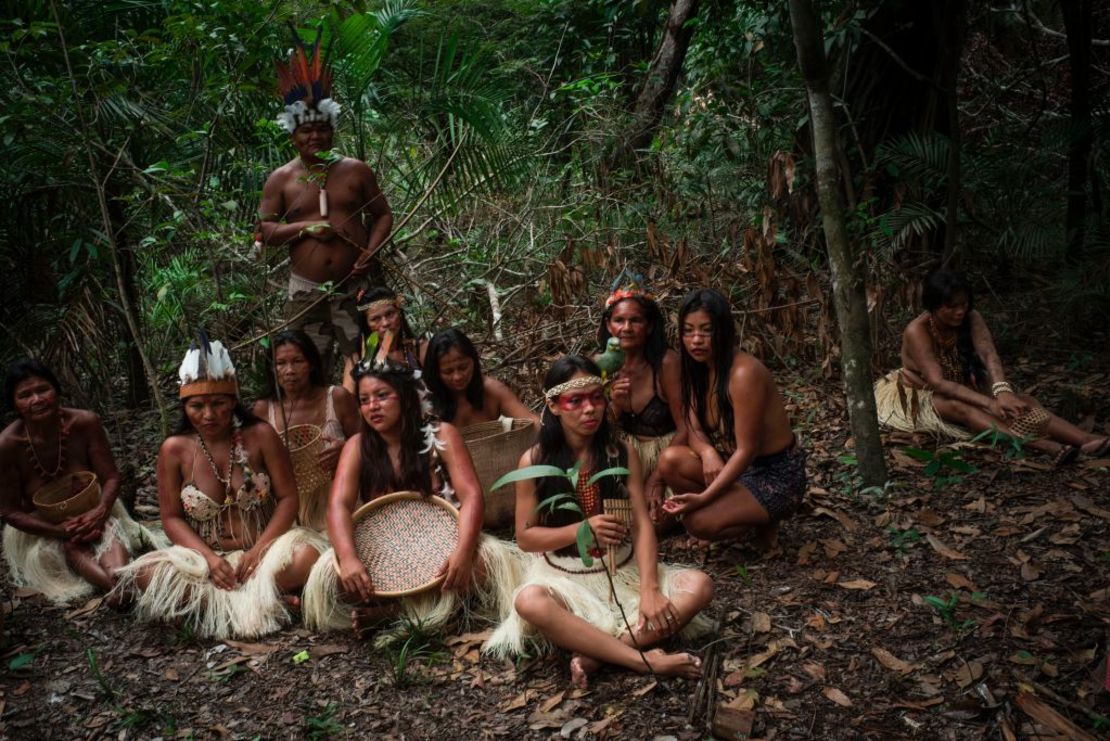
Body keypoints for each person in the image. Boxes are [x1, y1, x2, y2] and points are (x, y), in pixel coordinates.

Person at [484, 356, 713, 688]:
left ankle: (599, 654)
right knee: (529, 602)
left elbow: (641, 525)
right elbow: (526, 537)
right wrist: (580, 530)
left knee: (699, 586)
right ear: (554, 405)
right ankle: (643, 659)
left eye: (596, 397)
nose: (589, 408)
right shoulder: (535, 461)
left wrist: (649, 589)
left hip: (624, 570)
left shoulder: (620, 453)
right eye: (575, 400)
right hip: (564, 579)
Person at [303, 349, 522, 645]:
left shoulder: (441, 434)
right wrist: (349, 557)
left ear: (406, 397)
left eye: (382, 396)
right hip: (382, 549)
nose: (372, 407)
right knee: (330, 578)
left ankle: (395, 612)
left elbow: (472, 496)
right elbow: (338, 506)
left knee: (484, 565)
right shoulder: (357, 445)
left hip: (442, 543)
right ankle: (421, 610)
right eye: (364, 400)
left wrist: (463, 550)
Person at [113, 337, 326, 639]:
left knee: (306, 556)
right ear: (184, 406)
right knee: (146, 573)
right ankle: (261, 602)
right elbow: (171, 518)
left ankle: (228, 606)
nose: (209, 415)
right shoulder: (174, 450)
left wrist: (260, 549)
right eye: (197, 406)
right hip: (204, 558)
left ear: (233, 401)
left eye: (218, 403)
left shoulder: (260, 435)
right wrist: (211, 561)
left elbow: (288, 498)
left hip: (265, 553)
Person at [258, 29, 393, 375]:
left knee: (368, 366)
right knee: (305, 371)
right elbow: (266, 232)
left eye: (322, 128)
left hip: (356, 289)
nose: (315, 136)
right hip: (306, 293)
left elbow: (382, 215)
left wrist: (370, 251)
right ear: (293, 136)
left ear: (332, 130)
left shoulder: (355, 171)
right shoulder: (281, 179)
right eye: (306, 130)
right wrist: (305, 228)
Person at [874, 269, 1110, 464]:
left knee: (1022, 404)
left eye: (964, 304)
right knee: (961, 408)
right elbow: (937, 382)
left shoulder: (971, 317)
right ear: (933, 306)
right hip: (921, 392)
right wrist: (990, 402)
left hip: (962, 382)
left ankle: (1085, 439)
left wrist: (1003, 392)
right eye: (951, 306)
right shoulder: (918, 330)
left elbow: (989, 355)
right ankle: (1040, 444)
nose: (960, 311)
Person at [0, 359, 160, 606]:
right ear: (14, 405)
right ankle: (121, 587)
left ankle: (121, 585)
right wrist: (60, 530)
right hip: (42, 522)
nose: (37, 399)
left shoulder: (85, 422)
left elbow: (111, 478)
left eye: (43, 390)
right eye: (25, 395)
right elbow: (10, 511)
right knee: (70, 545)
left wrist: (99, 512)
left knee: (108, 530)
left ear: (57, 391)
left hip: (93, 507)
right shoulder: (8, 444)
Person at [657, 289, 807, 547]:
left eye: (706, 330)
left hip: (774, 475)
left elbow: (748, 450)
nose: (696, 340)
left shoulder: (743, 373)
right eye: (688, 331)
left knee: (698, 522)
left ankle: (759, 518)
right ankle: (735, 509)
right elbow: (692, 426)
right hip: (734, 465)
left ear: (723, 330)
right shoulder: (696, 368)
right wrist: (706, 452)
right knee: (670, 460)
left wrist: (703, 499)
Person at [597, 278, 685, 524]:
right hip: (624, 461)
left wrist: (657, 480)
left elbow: (686, 427)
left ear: (649, 326)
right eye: (619, 320)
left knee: (655, 523)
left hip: (665, 458)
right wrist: (614, 405)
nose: (627, 328)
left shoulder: (667, 363)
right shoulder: (600, 365)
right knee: (619, 523)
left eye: (635, 320)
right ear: (608, 325)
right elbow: (592, 429)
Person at [252, 330, 359, 530]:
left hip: (341, 504)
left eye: (297, 361)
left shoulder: (337, 398)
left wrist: (347, 450)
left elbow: (368, 444)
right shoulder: (263, 409)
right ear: (272, 369)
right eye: (280, 363)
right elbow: (254, 466)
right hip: (290, 514)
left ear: (311, 364)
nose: (289, 370)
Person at [423, 327, 538, 428]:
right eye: (448, 372)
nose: (457, 377)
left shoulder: (492, 390)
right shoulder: (424, 403)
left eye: (463, 367)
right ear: (435, 372)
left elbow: (534, 424)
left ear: (474, 362)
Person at [340, 286, 427, 394]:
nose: (385, 323)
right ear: (366, 324)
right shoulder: (356, 361)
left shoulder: (419, 350)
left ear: (399, 314)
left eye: (390, 314)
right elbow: (348, 403)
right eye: (375, 319)